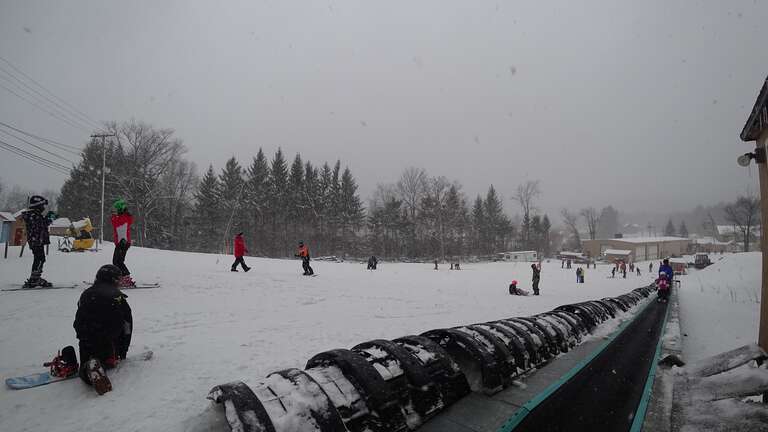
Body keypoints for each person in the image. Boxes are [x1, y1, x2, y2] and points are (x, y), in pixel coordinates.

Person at [73, 264, 133, 395]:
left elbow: (79, 318)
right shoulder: (117, 296)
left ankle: (84, 366)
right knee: (106, 360)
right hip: (107, 340)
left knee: (87, 360)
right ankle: (95, 368)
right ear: (114, 280)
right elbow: (127, 324)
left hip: (85, 339)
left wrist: (82, 335)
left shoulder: (86, 294)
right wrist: (123, 350)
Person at [22, 195, 56, 288]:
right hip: (36, 241)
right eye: (42, 206)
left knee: (39, 258)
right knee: (40, 258)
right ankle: (35, 279)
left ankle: (35, 277)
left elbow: (41, 224)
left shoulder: (34, 215)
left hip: (37, 240)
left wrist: (48, 219)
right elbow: (39, 226)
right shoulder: (33, 215)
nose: (43, 208)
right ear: (37, 205)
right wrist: (48, 219)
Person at [110, 199, 135, 287]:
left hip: (123, 242)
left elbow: (115, 223)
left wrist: (113, 216)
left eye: (116, 210)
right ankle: (121, 277)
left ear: (121, 209)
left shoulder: (124, 217)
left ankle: (125, 277)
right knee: (117, 261)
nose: (114, 212)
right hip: (121, 242)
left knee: (118, 261)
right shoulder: (123, 216)